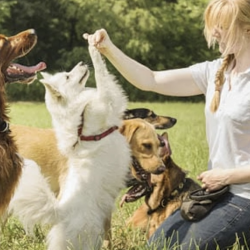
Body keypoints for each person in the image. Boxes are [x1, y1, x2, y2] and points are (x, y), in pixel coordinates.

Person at [83, 0, 250, 249]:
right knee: (158, 244)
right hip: (216, 193)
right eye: (213, 25)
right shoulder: (216, 72)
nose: (214, 32)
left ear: (247, 28)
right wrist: (108, 48)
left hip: (243, 197)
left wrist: (229, 175)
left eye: (222, 25)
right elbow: (150, 79)